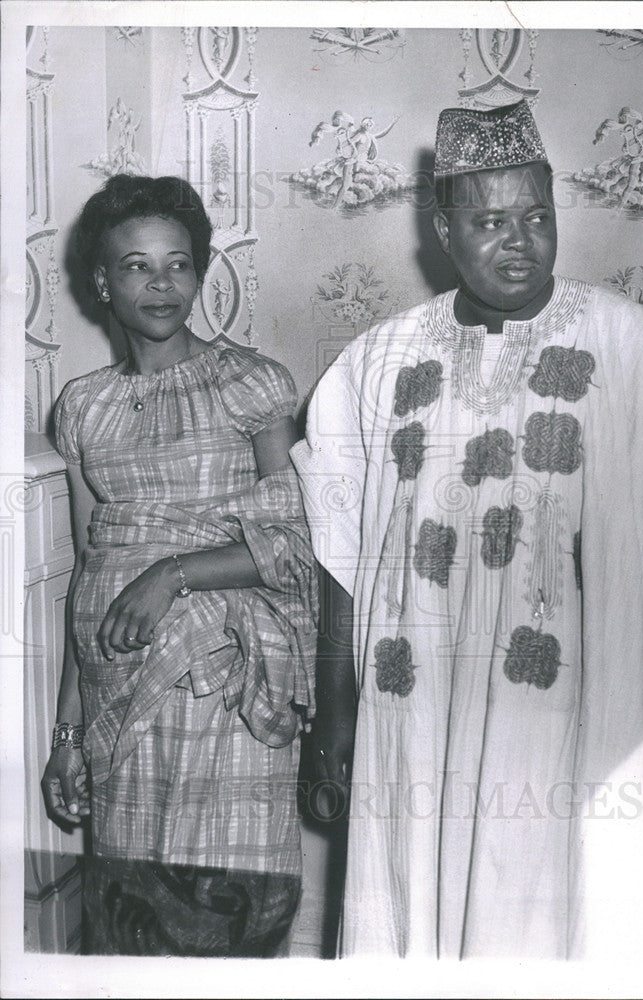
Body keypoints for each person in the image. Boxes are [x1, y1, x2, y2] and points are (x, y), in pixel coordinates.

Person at [290, 100, 643, 960]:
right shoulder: (377, 361)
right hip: (420, 716)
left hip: (582, 712)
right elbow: (341, 552)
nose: (520, 241)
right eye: (489, 220)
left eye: (537, 218)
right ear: (443, 229)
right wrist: (334, 714)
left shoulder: (628, 343)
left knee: (568, 926)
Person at [41, 174, 317, 957]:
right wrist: (68, 730)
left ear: (200, 274)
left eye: (178, 264)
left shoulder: (252, 384)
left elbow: (297, 544)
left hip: (224, 684)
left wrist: (173, 574)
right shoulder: (82, 406)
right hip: (117, 690)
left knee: (231, 904)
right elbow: (86, 579)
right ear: (102, 281)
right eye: (136, 266)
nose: (161, 284)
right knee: (134, 917)